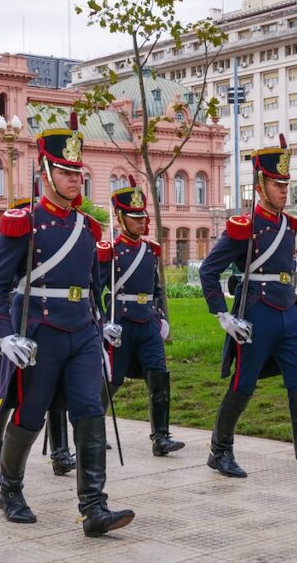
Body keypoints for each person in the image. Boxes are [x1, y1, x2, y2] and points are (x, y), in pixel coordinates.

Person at [0, 113, 134, 537]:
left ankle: (94, 508)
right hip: (40, 332)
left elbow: (93, 287)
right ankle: (9, 489)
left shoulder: (88, 227)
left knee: (89, 413)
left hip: (82, 332)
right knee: (30, 415)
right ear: (45, 171)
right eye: (66, 172)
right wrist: (3, 334)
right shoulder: (24, 221)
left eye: (77, 172)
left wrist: (102, 325)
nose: (74, 180)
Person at [198, 134, 297, 488]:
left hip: (289, 311)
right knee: (243, 384)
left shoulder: (289, 225)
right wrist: (223, 315)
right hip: (258, 312)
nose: (284, 190)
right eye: (277, 184)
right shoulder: (244, 226)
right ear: (260, 185)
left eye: (286, 183)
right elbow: (208, 270)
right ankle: (220, 449)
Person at [0, 199, 75, 477]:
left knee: (54, 393)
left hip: (39, 328)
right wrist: (1, 334)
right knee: (6, 394)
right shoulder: (8, 262)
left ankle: (60, 452)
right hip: (10, 332)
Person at [99, 177, 185, 457]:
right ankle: (91, 426)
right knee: (113, 380)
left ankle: (161, 437)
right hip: (121, 323)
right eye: (135, 217)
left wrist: (161, 317)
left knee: (159, 376)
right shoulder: (110, 252)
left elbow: (157, 289)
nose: (141, 221)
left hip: (148, 323)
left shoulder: (151, 251)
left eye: (142, 216)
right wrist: (103, 322)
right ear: (121, 218)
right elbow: (94, 290)